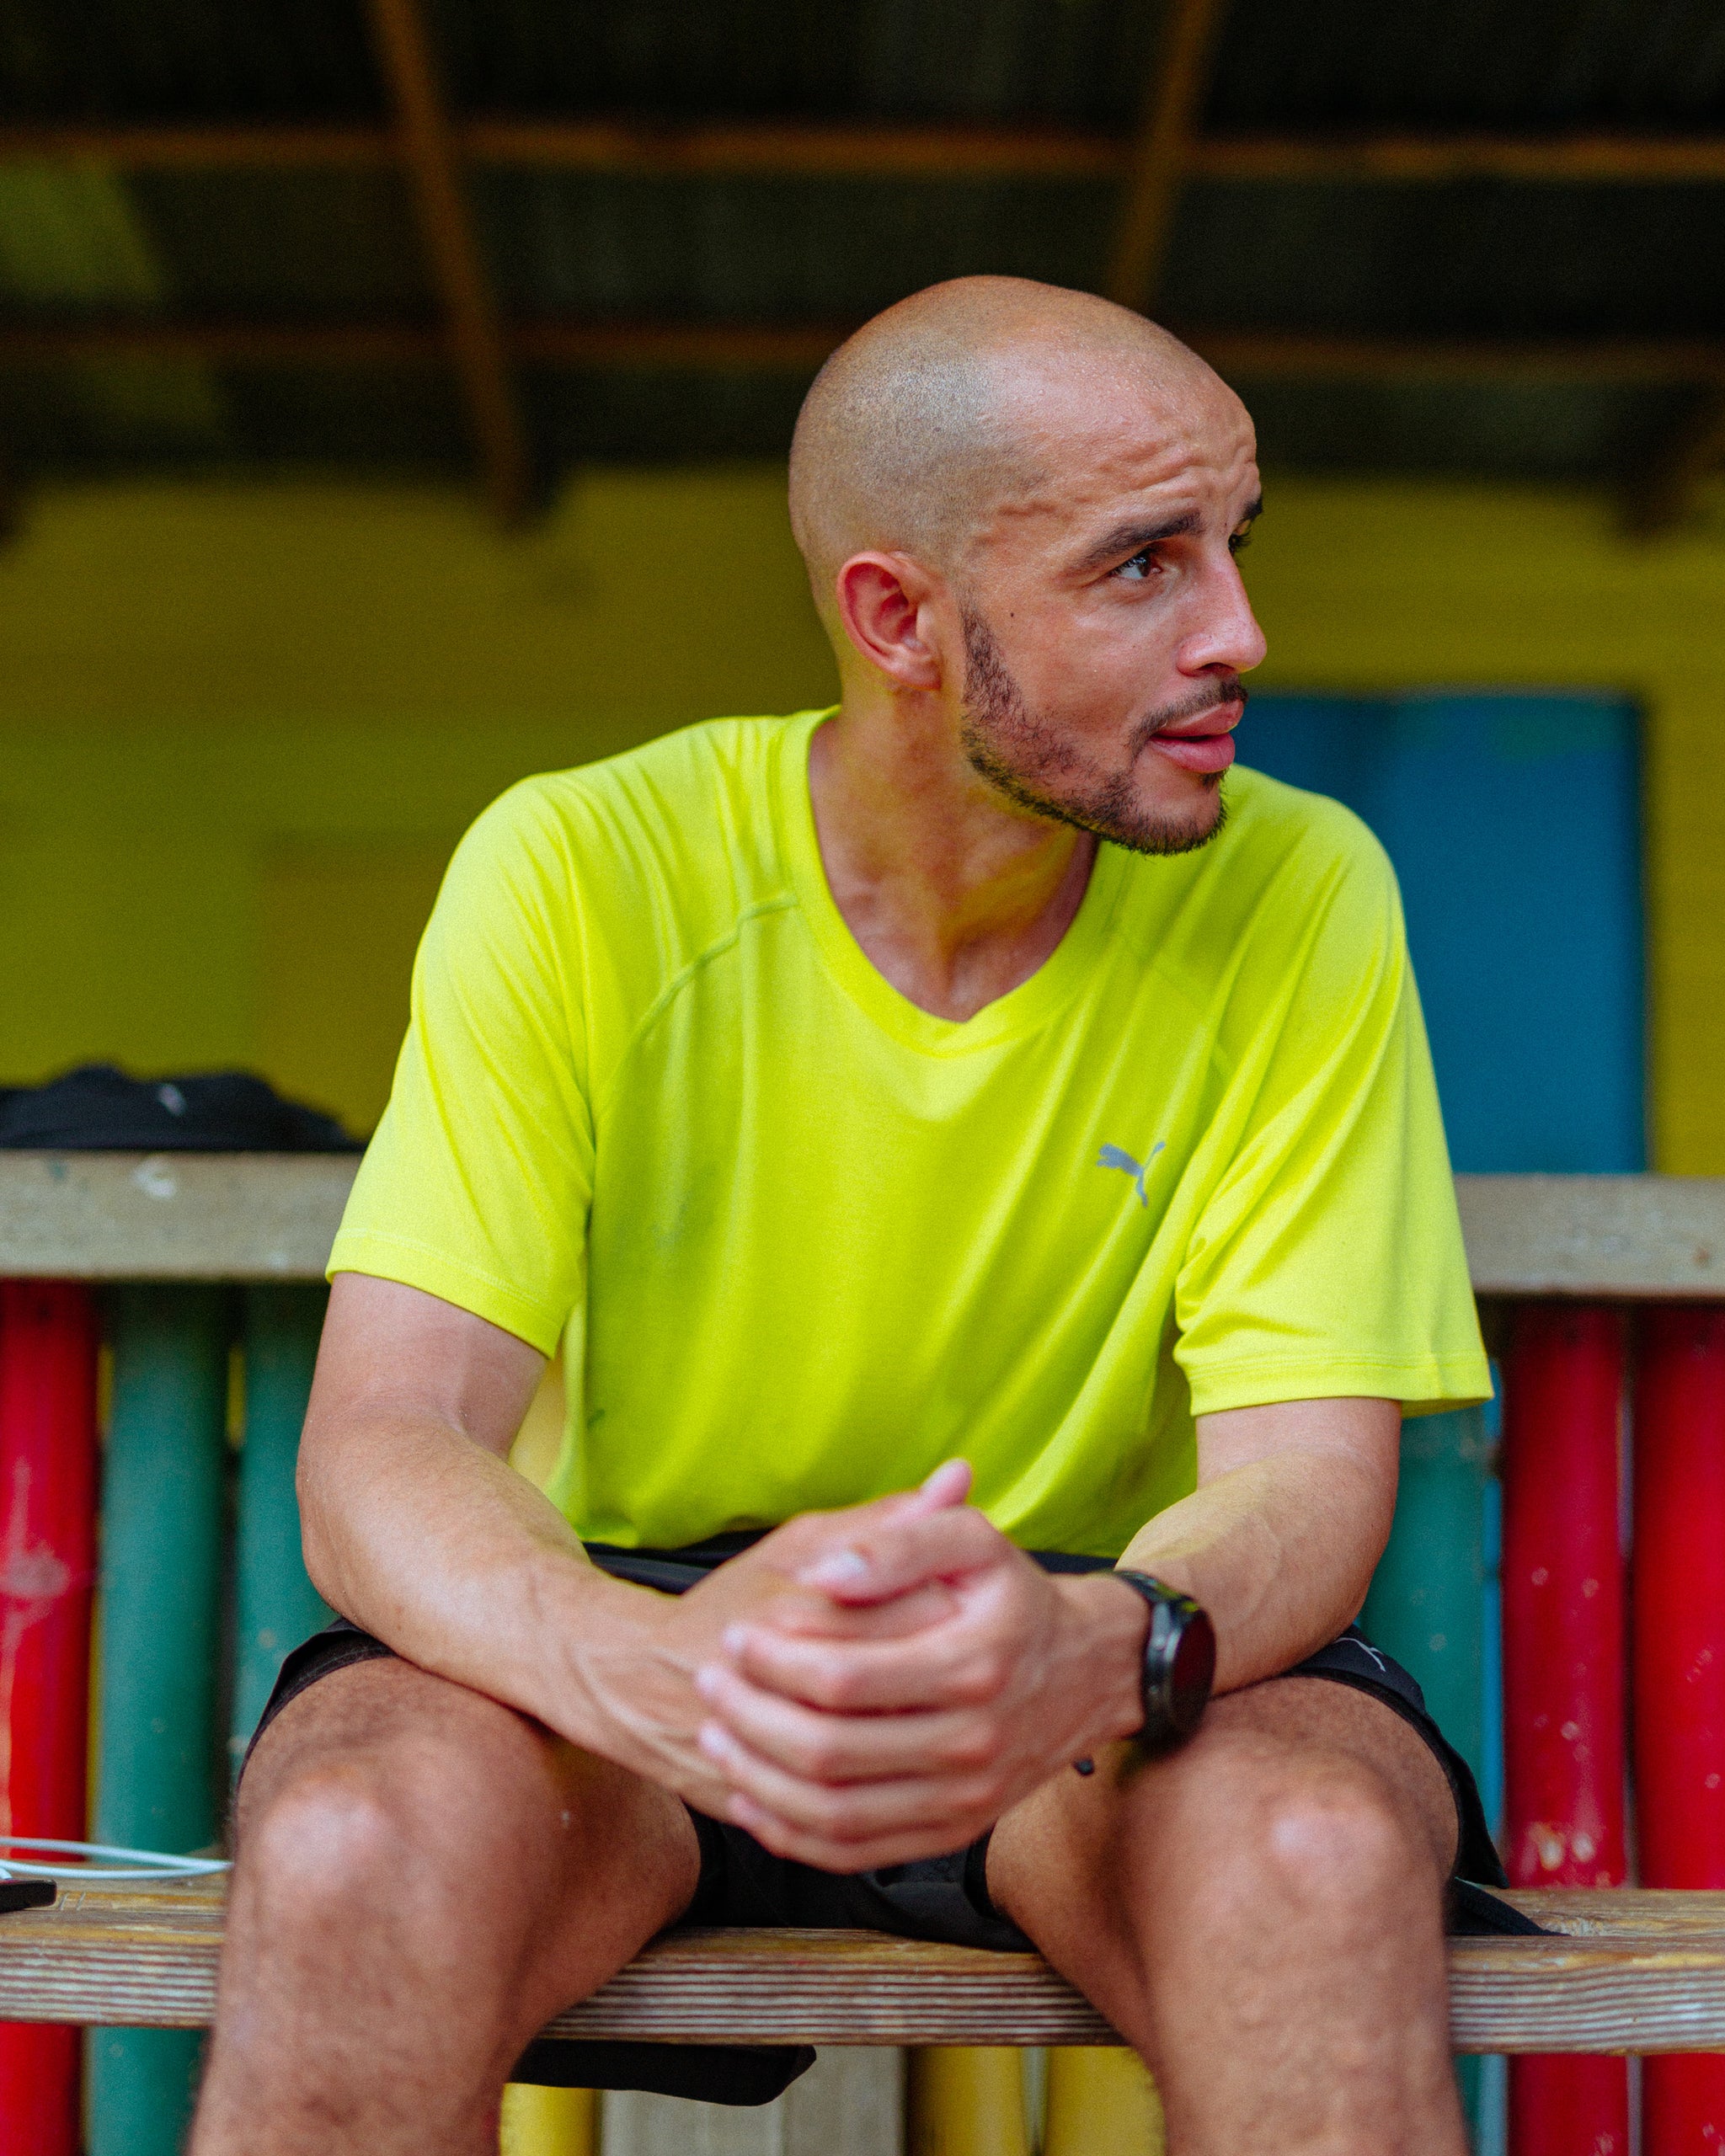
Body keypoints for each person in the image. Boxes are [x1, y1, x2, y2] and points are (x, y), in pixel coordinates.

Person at [192, 275, 1499, 2156]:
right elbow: (387, 1436)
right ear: (895, 615)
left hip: (1104, 1642)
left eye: (1233, 540)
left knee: (1309, 1846)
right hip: (630, 1643)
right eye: (1143, 563)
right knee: (346, 1842)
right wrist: (639, 1664)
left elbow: (1303, 1480)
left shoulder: (1303, 890)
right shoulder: (580, 865)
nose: (1242, 630)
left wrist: (1096, 1640)